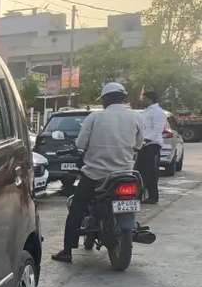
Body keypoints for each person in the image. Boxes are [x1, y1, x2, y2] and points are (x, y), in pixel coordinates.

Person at [52, 82, 143, 263]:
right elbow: (139, 144)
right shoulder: (135, 117)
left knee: (77, 209)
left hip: (95, 174)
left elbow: (80, 144)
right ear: (122, 98)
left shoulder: (95, 117)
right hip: (125, 174)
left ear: (106, 99)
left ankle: (67, 251)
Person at [136, 90, 165, 203]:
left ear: (150, 99)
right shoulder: (146, 111)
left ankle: (153, 196)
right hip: (143, 144)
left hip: (152, 144)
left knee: (150, 171)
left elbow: (157, 129)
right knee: (140, 171)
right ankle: (141, 195)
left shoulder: (158, 112)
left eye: (144, 99)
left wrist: (145, 140)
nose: (142, 101)